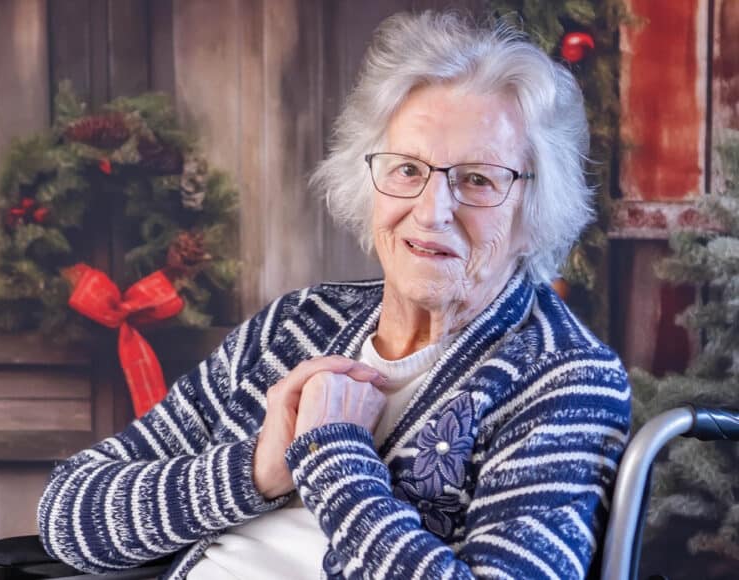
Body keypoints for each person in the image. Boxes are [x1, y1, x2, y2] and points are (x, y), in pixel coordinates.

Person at [37, 11, 630, 579]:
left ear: (536, 205)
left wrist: (334, 458)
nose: (432, 211)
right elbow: (65, 512)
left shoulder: (565, 380)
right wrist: (255, 472)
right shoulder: (299, 324)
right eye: (407, 170)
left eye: (477, 179)